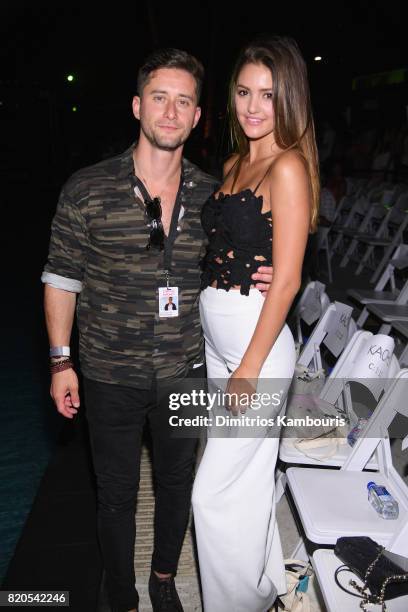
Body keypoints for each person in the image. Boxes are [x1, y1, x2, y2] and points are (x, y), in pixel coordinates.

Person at [41, 48, 273, 612]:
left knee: (177, 486)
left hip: (185, 368)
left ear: (197, 118)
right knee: (116, 495)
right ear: (138, 105)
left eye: (184, 102)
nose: (171, 112)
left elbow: (237, 263)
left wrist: (263, 270)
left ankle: (165, 579)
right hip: (107, 371)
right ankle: (119, 592)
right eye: (160, 98)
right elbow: (61, 279)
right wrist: (60, 362)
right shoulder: (87, 188)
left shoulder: (214, 196)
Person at [192, 36, 319, 612]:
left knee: (211, 492)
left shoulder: (287, 165)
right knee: (247, 476)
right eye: (244, 92)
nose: (252, 107)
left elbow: (288, 280)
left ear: (288, 99)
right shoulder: (237, 162)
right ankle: (268, 584)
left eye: (267, 95)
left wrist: (247, 368)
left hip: (255, 351)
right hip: (224, 345)